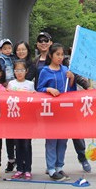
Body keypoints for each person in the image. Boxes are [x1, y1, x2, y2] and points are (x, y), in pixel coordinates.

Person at [37, 43, 74, 181]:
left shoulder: (65, 70)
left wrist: (71, 78)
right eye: (57, 54)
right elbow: (39, 89)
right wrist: (48, 89)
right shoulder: (45, 71)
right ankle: (51, 168)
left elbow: (71, 90)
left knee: (63, 141)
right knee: (52, 140)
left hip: (64, 111)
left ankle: (59, 167)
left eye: (62, 54)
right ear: (51, 55)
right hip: (51, 112)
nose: (60, 57)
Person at [7, 60, 35, 180]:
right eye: (17, 70)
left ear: (26, 71)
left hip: (27, 120)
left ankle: (27, 169)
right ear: (14, 71)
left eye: (22, 70)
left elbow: (34, 100)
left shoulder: (30, 84)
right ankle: (19, 168)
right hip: (15, 120)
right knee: (17, 145)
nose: (19, 73)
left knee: (27, 144)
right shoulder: (11, 84)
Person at [0, 38, 17, 172]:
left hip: (16, 91)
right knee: (9, 131)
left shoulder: (15, 59)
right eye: (5, 48)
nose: (7, 50)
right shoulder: (1, 61)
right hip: (6, 92)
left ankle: (18, 158)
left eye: (9, 48)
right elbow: (1, 74)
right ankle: (11, 158)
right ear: (0, 50)